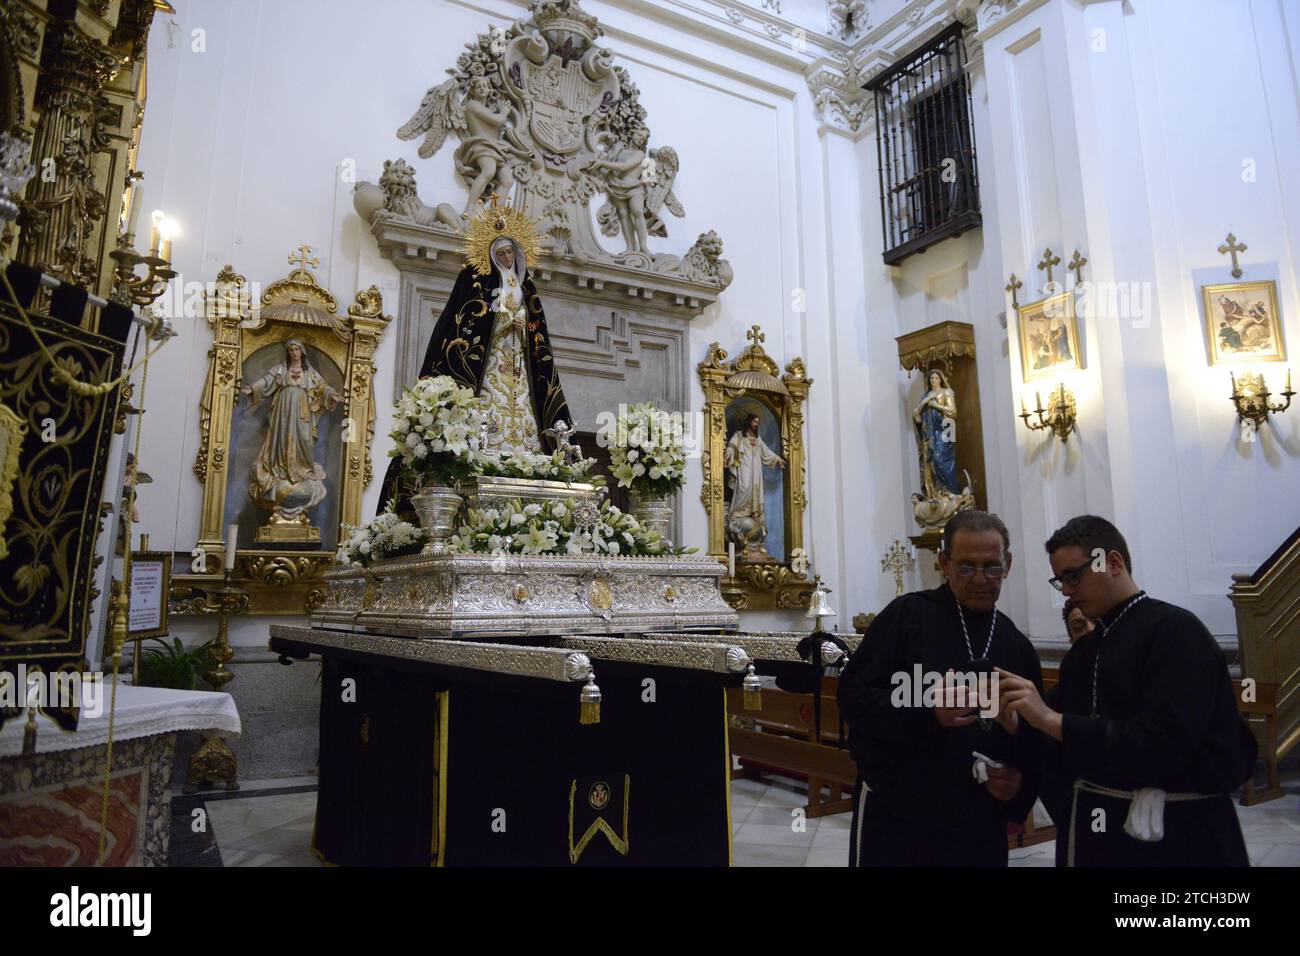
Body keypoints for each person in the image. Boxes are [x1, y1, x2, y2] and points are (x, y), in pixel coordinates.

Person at [997, 515, 1256, 866]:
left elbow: (1165, 742)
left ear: (1113, 562)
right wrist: (1016, 721)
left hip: (1178, 831)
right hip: (1099, 825)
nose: (1068, 590)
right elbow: (1056, 740)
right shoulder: (1086, 651)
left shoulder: (1175, 631)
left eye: (1073, 575)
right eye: (1061, 581)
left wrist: (1046, 718)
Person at [838, 509, 1043, 866]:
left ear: (1008, 563)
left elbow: (1034, 737)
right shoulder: (907, 618)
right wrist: (927, 712)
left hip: (978, 826)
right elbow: (852, 698)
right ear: (944, 562)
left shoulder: (1017, 646)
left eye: (992, 566)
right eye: (966, 566)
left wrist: (1018, 783)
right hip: (900, 818)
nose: (980, 579)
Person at [377, 203, 573, 512]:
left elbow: (538, 331)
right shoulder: (474, 280)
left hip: (519, 364)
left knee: (524, 411)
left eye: (511, 252)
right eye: (501, 254)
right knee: (487, 410)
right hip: (488, 364)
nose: (506, 258)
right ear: (492, 255)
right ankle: (484, 461)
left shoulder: (527, 286)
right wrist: (505, 322)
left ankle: (527, 464)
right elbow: (466, 327)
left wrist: (524, 329)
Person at [241, 339, 341, 523]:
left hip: (302, 413)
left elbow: (321, 386)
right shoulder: (281, 369)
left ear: (302, 352)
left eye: (297, 349)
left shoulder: (308, 372)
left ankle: (300, 469)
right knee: (280, 440)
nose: (295, 353)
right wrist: (253, 389)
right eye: (292, 349)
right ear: (289, 352)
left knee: (303, 440)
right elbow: (267, 381)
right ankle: (281, 471)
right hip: (283, 412)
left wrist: (331, 394)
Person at [724, 412, 784, 555]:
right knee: (743, 487)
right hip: (744, 468)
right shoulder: (739, 435)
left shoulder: (757, 439)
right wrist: (729, 454)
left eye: (758, 422)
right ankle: (736, 512)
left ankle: (753, 512)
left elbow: (766, 453)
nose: (757, 424)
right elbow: (731, 447)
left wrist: (777, 460)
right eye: (755, 421)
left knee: (755, 490)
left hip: (756, 471)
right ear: (749, 422)